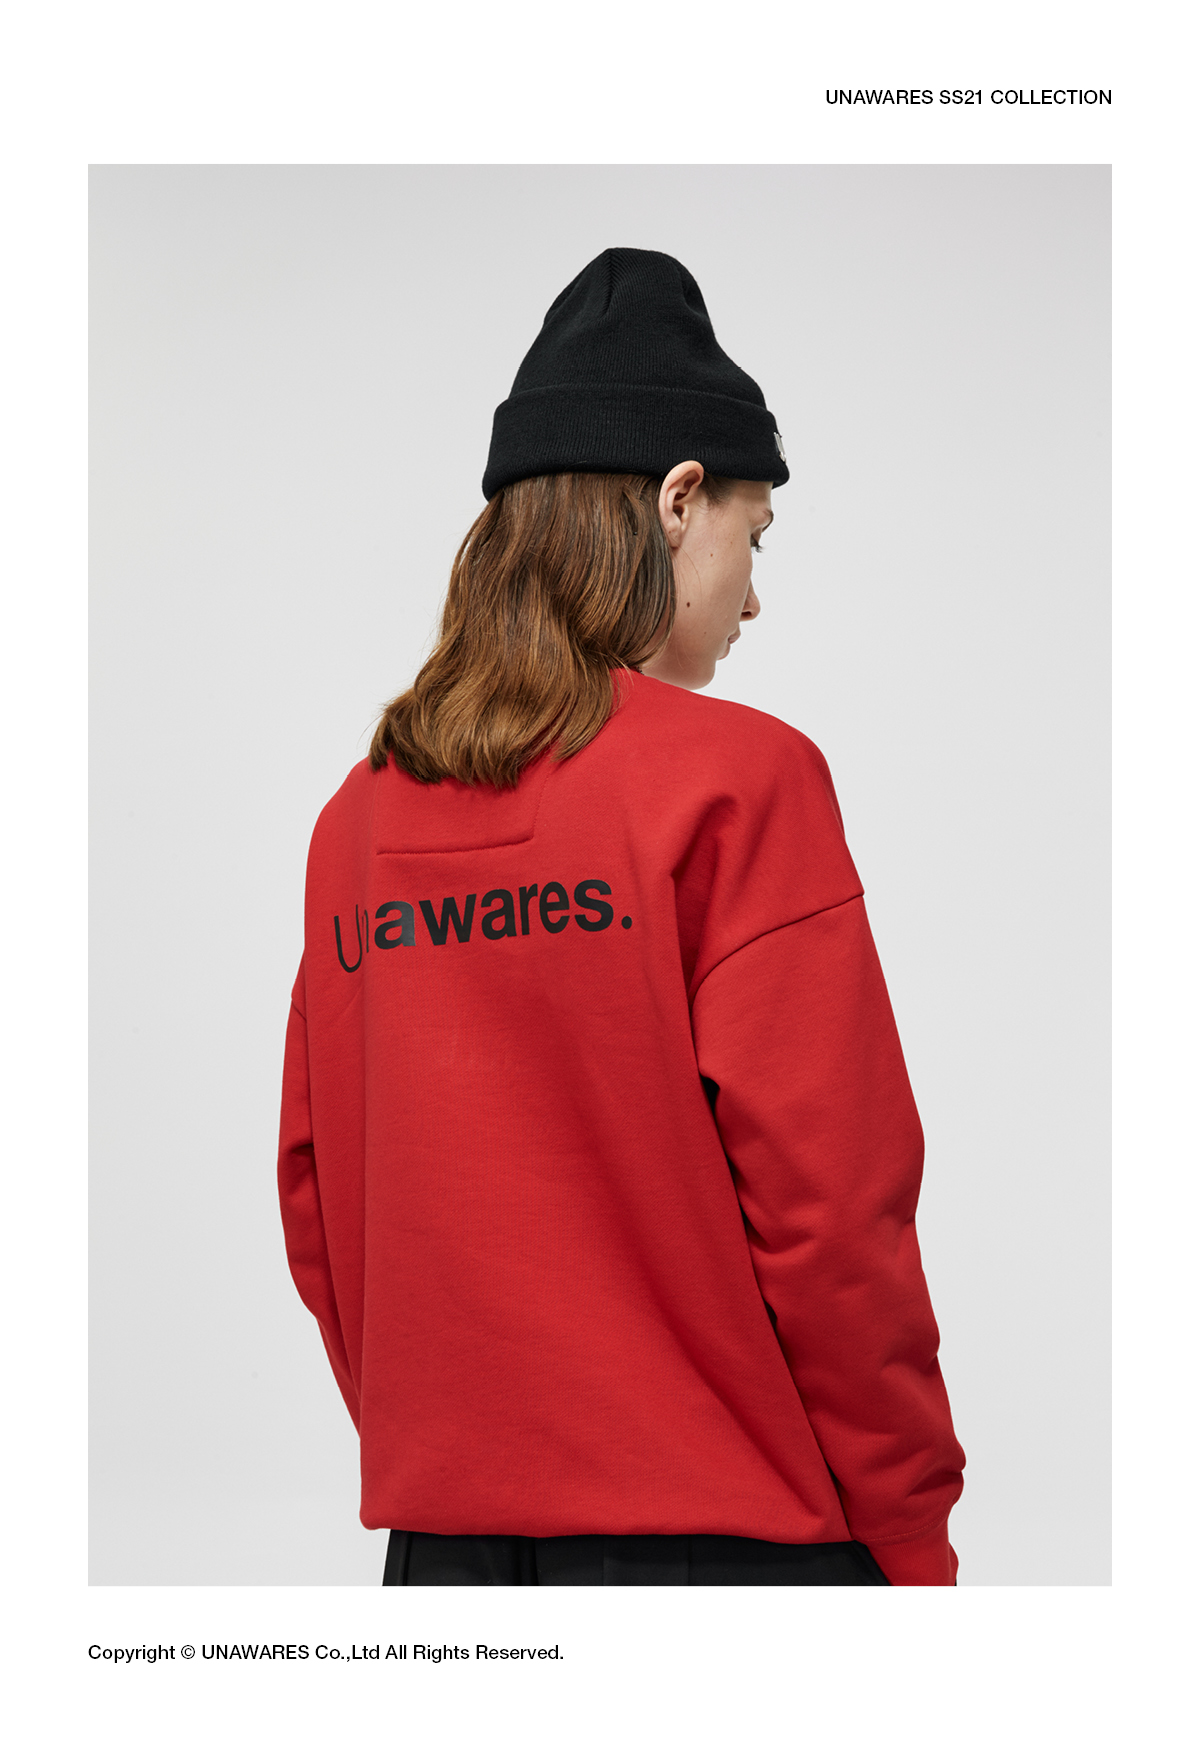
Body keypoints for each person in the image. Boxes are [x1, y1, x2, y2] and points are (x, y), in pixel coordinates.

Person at [277, 247, 965, 1587]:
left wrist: (456, 1447)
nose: (753, 595)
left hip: (448, 1552)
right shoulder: (742, 781)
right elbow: (833, 1215)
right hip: (728, 1551)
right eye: (755, 538)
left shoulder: (355, 823)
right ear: (677, 498)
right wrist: (908, 1532)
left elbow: (319, 1199)